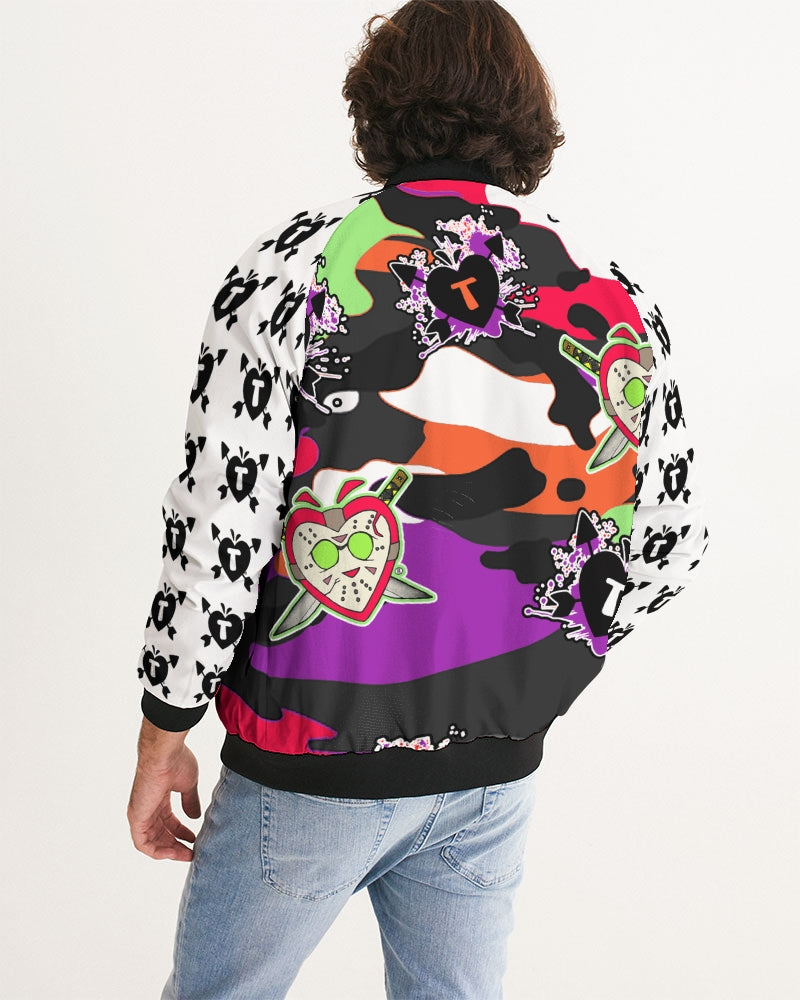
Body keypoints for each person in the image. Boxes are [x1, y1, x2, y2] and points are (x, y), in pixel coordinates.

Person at [127, 2, 709, 997]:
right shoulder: (613, 292)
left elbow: (217, 532)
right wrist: (539, 653)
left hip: (306, 757)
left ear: (375, 110)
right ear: (525, 115)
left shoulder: (290, 270)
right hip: (494, 769)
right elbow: (672, 539)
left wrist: (163, 730)